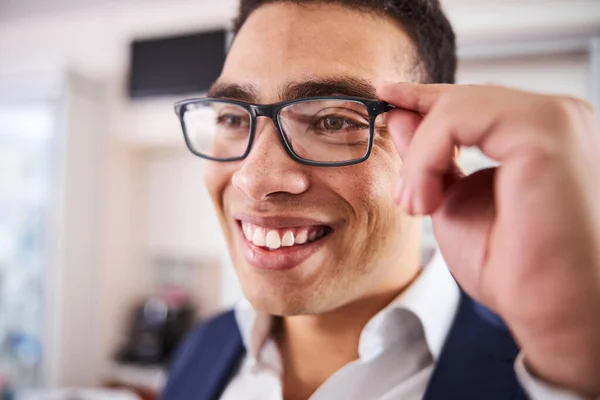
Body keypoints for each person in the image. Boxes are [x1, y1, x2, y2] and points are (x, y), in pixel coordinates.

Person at [163, 0, 600, 399]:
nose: (254, 180)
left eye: (333, 121)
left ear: (438, 142)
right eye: (233, 117)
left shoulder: (561, 369)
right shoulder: (202, 345)